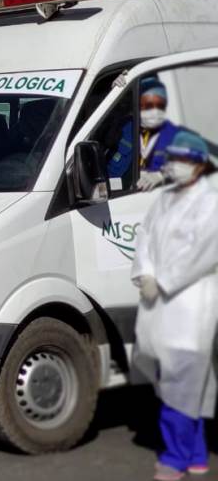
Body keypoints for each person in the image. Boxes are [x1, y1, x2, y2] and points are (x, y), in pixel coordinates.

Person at [131, 131, 218, 481]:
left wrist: (164, 280)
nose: (177, 165)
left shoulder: (211, 202)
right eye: (174, 158)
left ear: (199, 163)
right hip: (159, 304)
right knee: (182, 379)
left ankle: (175, 458)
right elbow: (144, 238)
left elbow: (203, 254)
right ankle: (196, 454)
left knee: (182, 380)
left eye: (184, 159)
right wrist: (146, 275)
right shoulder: (165, 200)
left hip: (192, 301)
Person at [108, 78, 183, 190]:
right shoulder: (126, 124)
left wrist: (161, 176)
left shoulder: (171, 136)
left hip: (138, 197)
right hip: (108, 193)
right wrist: (113, 92)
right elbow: (100, 125)